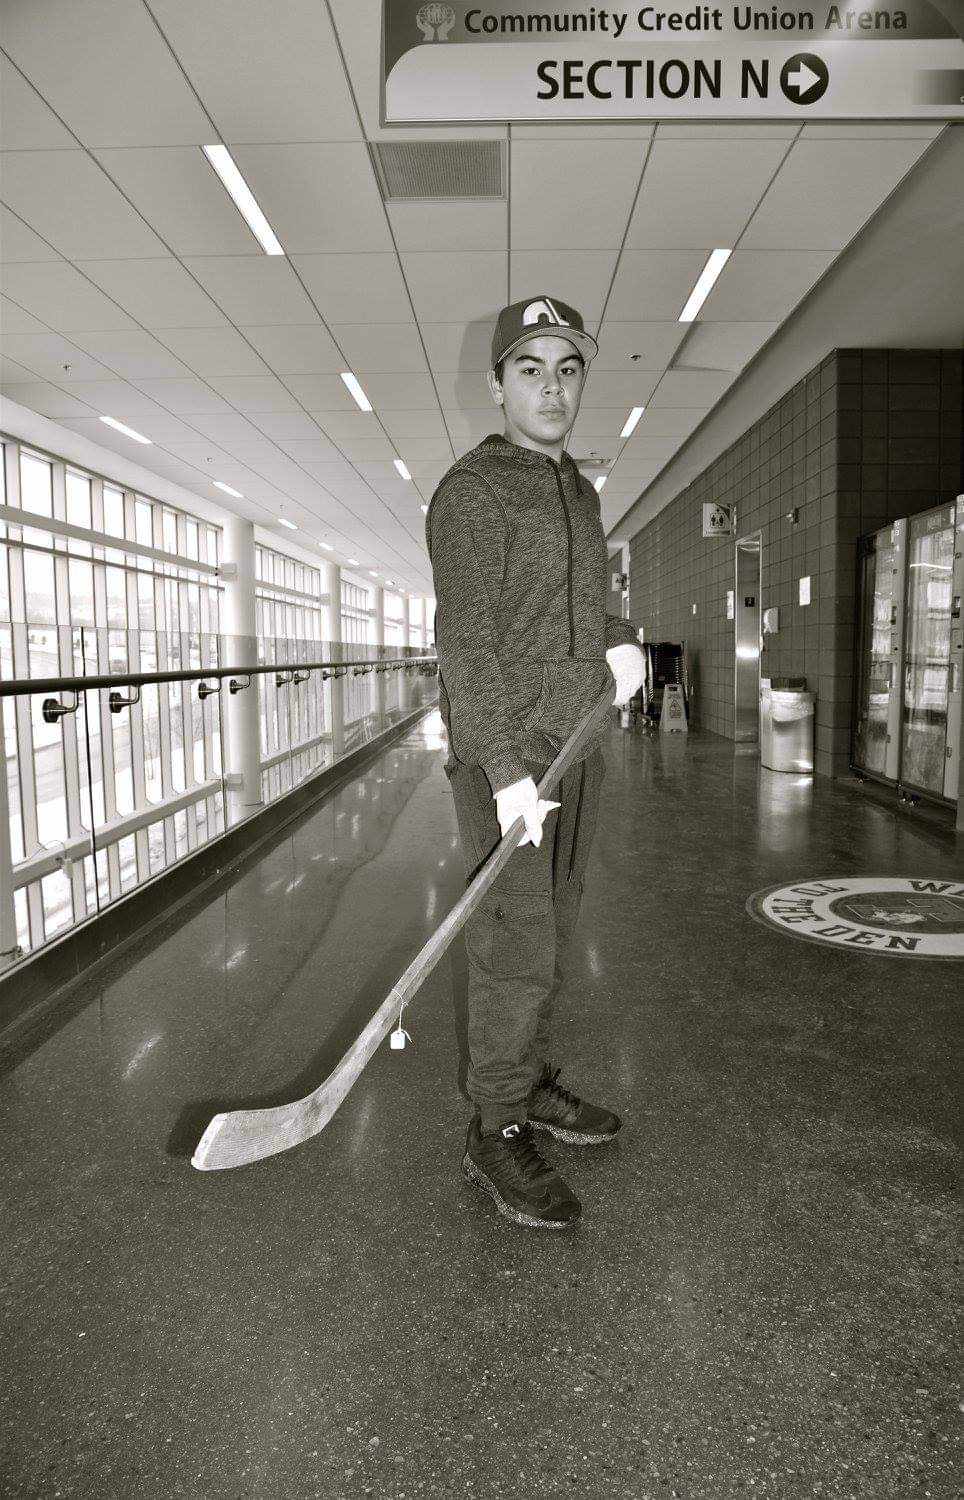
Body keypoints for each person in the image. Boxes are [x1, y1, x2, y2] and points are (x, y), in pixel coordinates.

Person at [425, 295, 645, 1231]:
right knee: (513, 948)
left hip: (576, 746)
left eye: (567, 369)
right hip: (509, 762)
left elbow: (570, 616)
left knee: (550, 932)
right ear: (498, 384)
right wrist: (506, 770)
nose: (551, 388)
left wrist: (621, 641)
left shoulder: (577, 490)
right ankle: (496, 1125)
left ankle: (530, 1081)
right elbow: (466, 644)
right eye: (531, 369)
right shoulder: (473, 493)